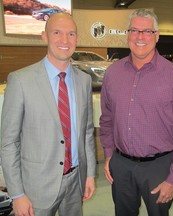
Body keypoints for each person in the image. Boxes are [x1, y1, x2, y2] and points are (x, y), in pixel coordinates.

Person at [0, 13, 96, 216]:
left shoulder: (84, 81)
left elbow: (87, 133)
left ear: (77, 39)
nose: (65, 40)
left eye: (71, 34)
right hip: (36, 189)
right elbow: (9, 142)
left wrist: (89, 175)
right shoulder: (20, 80)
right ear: (44, 36)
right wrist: (17, 194)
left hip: (75, 181)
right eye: (57, 33)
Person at [100, 8, 173, 216]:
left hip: (159, 167)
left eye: (147, 31)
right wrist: (108, 155)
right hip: (121, 165)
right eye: (134, 30)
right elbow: (107, 118)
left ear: (157, 36)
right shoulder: (113, 73)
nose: (140, 37)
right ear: (128, 34)